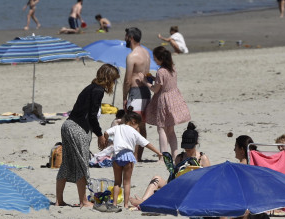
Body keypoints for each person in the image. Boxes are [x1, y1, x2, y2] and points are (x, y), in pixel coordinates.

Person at [55, 64, 117, 208]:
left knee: (67, 164)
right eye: (113, 80)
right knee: (82, 164)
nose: (114, 83)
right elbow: (92, 117)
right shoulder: (98, 90)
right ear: (109, 78)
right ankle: (83, 201)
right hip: (77, 129)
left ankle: (59, 201)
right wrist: (100, 135)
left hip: (67, 125)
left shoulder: (90, 87)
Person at [104, 111, 162, 210]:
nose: (137, 128)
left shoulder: (117, 127)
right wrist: (159, 153)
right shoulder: (134, 132)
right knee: (127, 182)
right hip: (128, 156)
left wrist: (108, 140)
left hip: (117, 156)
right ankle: (126, 205)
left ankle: (114, 203)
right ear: (133, 122)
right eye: (137, 126)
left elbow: (106, 132)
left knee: (117, 182)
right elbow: (147, 144)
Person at [143, 46, 191, 159]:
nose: (154, 60)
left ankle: (163, 156)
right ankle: (175, 154)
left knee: (161, 129)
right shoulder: (172, 68)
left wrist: (145, 82)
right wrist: (154, 78)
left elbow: (156, 90)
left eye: (155, 58)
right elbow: (166, 81)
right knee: (171, 129)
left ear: (160, 59)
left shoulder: (161, 71)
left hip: (164, 100)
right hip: (174, 98)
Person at [123, 27, 151, 161]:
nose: (125, 39)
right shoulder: (146, 53)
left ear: (131, 38)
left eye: (126, 37)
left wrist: (124, 97)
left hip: (135, 92)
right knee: (142, 125)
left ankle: (134, 156)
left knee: (133, 125)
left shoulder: (131, 56)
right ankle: (138, 156)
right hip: (146, 91)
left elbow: (128, 80)